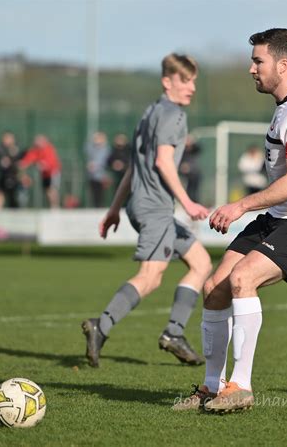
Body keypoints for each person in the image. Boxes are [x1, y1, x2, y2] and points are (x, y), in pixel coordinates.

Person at [174, 28, 287, 412]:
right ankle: (210, 387)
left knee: (242, 279)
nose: (251, 68)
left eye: (258, 61)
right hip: (281, 217)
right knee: (214, 287)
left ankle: (241, 387)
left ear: (283, 65)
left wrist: (241, 206)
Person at [81, 53, 212, 368]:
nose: (191, 87)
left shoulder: (150, 113)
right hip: (155, 209)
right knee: (151, 277)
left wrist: (114, 209)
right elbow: (162, 163)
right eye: (185, 80)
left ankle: (174, 334)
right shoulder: (174, 116)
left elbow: (132, 168)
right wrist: (188, 202)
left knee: (201, 262)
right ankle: (102, 325)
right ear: (167, 81)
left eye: (194, 80)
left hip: (144, 205)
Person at [20, 134, 61, 208]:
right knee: (48, 190)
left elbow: (51, 162)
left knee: (53, 190)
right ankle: (52, 206)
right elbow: (28, 159)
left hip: (53, 173)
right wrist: (23, 164)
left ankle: (55, 206)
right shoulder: (35, 150)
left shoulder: (49, 148)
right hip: (45, 174)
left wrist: (43, 165)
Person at [85, 132, 111, 208]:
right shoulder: (93, 148)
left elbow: (104, 160)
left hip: (102, 174)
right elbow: (86, 147)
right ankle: (95, 206)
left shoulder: (106, 149)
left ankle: (101, 206)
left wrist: (95, 165)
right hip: (92, 174)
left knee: (101, 192)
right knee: (93, 191)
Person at [179, 134, 202, 202]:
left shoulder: (194, 150)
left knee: (194, 190)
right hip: (185, 174)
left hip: (194, 173)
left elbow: (198, 149)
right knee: (187, 190)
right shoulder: (182, 150)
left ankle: (194, 202)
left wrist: (192, 142)